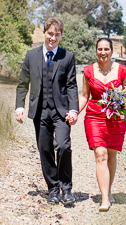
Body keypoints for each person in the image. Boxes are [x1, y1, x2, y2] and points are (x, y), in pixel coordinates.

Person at [15, 18, 79, 206]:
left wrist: (74, 110)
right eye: (50, 34)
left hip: (61, 111)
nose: (53, 38)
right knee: (45, 149)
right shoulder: (31, 56)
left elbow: (71, 85)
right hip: (40, 111)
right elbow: (22, 84)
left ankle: (66, 189)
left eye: (57, 34)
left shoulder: (67, 57)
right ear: (44, 33)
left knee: (64, 146)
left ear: (61, 35)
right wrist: (20, 106)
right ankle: (53, 189)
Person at [79, 37, 126, 212]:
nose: (103, 52)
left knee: (112, 156)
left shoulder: (123, 71)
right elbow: (84, 96)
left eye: (106, 49)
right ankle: (105, 199)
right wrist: (75, 112)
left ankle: (108, 189)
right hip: (94, 116)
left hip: (115, 118)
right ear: (96, 51)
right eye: (100, 49)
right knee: (100, 154)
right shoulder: (87, 71)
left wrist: (122, 111)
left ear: (112, 51)